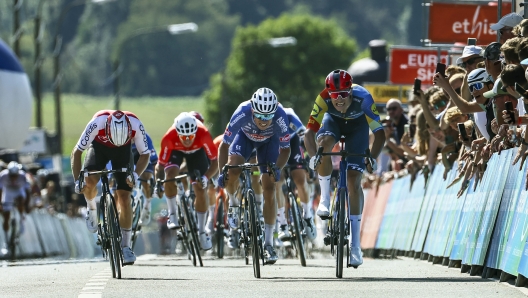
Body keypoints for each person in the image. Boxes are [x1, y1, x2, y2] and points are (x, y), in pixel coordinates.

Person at [304, 69, 386, 268]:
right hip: (333, 124)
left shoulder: (364, 98)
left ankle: (355, 246)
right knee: (323, 144)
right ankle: (324, 199)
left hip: (357, 129)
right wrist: (314, 157)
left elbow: (380, 134)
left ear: (350, 91)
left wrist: (372, 158)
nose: (338, 99)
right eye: (334, 95)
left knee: (353, 182)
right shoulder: (322, 99)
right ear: (328, 93)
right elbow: (308, 134)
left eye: (342, 94)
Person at [217, 87, 291, 264]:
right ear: (252, 110)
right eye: (260, 116)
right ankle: (234, 203)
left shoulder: (280, 117)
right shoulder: (242, 112)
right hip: (244, 139)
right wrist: (222, 172)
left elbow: (286, 150)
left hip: (269, 143)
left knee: (270, 185)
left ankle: (268, 244)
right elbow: (223, 147)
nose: (264, 121)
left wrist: (277, 168)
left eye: (268, 117)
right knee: (233, 170)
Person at [71, 110, 151, 265]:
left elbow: (145, 154)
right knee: (89, 182)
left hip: (123, 153)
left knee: (124, 196)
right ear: (107, 129)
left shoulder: (135, 125)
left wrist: (134, 174)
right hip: (99, 148)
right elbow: (77, 152)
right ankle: (91, 208)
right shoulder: (96, 123)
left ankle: (126, 247)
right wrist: (77, 180)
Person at [155, 112, 218, 251]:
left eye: (190, 136)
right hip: (176, 151)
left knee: (201, 190)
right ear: (178, 133)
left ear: (195, 132)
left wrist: (205, 178)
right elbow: (160, 166)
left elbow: (215, 162)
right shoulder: (169, 137)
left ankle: (202, 232)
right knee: (170, 175)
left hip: (197, 153)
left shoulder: (203, 134)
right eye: (184, 137)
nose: (188, 139)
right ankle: (172, 215)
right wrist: (159, 183)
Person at [275, 107, 317, 242]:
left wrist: (310, 160)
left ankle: (307, 215)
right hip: (275, 147)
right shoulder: (263, 120)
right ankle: (282, 223)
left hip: (292, 143)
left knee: (300, 177)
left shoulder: (289, 114)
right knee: (277, 180)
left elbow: (304, 136)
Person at [0, 161, 30, 255]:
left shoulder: (23, 176)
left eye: (15, 175)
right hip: (8, 192)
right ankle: (6, 240)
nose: (13, 178)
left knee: (21, 202)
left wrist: (26, 205)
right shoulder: (2, 175)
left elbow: (27, 192)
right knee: (6, 216)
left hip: (18, 191)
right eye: (11, 175)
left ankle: (21, 219)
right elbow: (0, 191)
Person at [133, 132, 158, 225]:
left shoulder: (145, 138)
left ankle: (147, 203)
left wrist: (156, 182)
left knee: (146, 177)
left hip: (143, 156)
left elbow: (154, 162)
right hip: (129, 157)